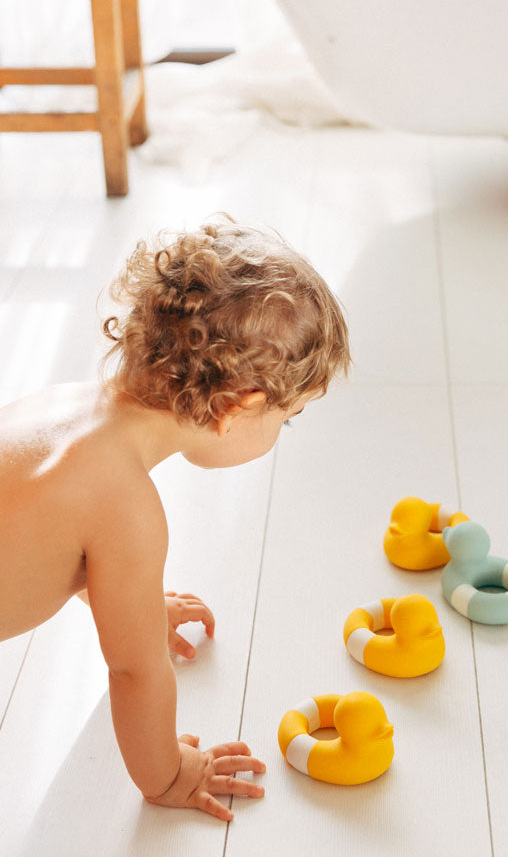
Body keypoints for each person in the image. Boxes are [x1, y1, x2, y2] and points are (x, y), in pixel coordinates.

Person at [0, 218, 350, 822]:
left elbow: (41, 535)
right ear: (236, 410)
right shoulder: (128, 506)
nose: (280, 432)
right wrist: (167, 774)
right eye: (284, 420)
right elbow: (134, 670)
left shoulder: (63, 405)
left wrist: (134, 604)